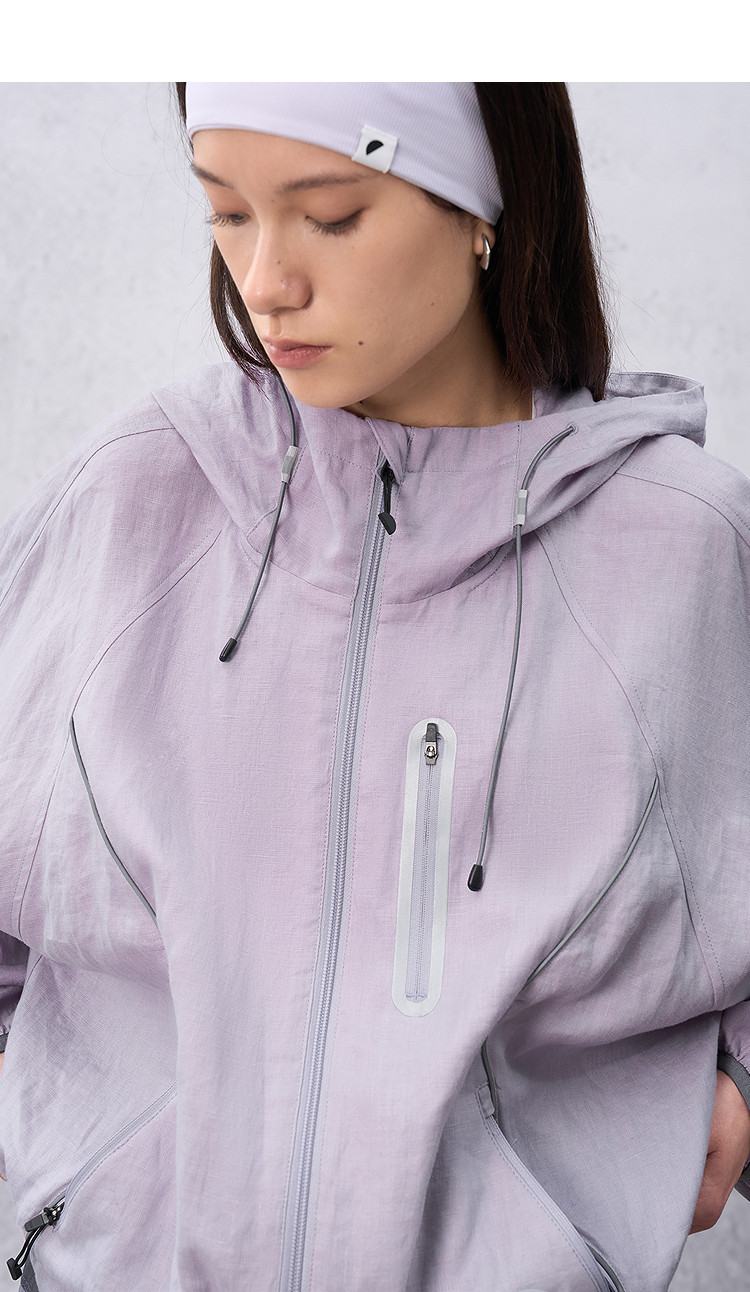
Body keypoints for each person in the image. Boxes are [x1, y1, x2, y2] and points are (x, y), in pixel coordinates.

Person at [0, 81, 749, 1292]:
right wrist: (76, 1153)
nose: (265, 280)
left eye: (331, 215)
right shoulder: (134, 496)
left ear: (485, 205)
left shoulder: (682, 547)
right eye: (225, 212)